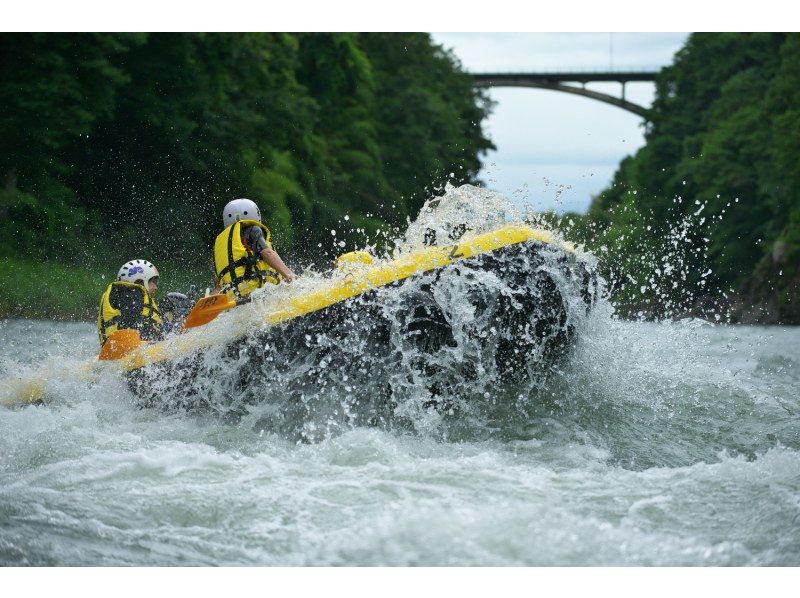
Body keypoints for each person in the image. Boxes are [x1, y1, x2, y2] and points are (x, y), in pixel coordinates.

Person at [212, 198, 297, 301]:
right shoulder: (253, 231)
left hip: (236, 298)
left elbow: (218, 286)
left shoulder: (220, 245)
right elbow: (267, 253)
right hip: (258, 293)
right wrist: (289, 275)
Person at [97, 260, 165, 346]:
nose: (155, 287)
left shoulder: (122, 294)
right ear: (139, 281)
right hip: (122, 347)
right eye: (153, 282)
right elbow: (130, 324)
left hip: (114, 347)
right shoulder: (130, 293)